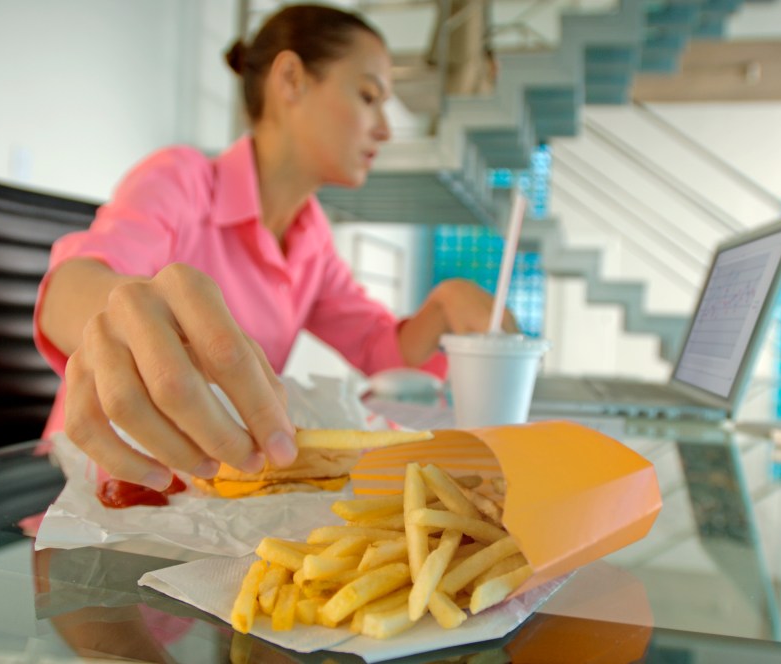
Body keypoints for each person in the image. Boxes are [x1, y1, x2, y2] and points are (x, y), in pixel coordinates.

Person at [34, 3, 518, 493]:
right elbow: (70, 289)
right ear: (291, 79)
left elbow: (380, 350)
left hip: (204, 501)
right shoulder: (181, 179)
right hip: (86, 488)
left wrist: (442, 307)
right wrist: (126, 314)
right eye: (369, 96)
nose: (386, 129)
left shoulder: (312, 237)